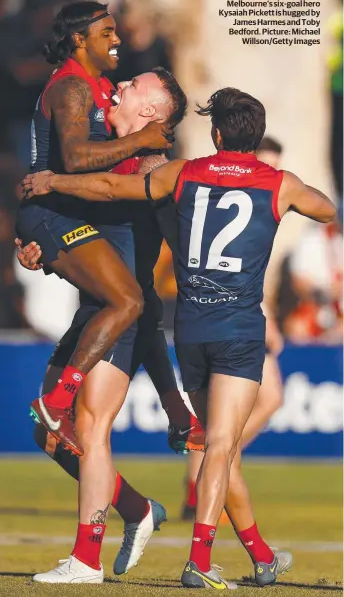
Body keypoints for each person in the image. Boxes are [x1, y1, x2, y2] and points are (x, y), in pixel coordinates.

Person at [23, 86, 336, 590]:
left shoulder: (182, 173)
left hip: (190, 328)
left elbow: (107, 188)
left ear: (215, 133)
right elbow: (325, 210)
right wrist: (287, 192)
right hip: (238, 329)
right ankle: (200, 561)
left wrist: (52, 179)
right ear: (255, 138)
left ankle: (260, 555)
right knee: (220, 446)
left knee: (218, 447)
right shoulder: (279, 183)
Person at [17, 68, 206, 584]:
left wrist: (174, 399)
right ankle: (138, 509)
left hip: (120, 319)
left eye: (134, 85)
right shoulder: (102, 148)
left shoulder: (150, 163)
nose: (119, 83)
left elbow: (143, 294)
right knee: (50, 436)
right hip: (95, 314)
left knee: (92, 431)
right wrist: (39, 251)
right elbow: (74, 222)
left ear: (149, 112)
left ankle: (86, 560)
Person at [16, 1, 174, 455]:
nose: (118, 39)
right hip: (53, 216)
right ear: (79, 40)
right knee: (129, 300)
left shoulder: (100, 87)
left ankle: (138, 503)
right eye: (107, 32)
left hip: (61, 218)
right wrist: (143, 139)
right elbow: (76, 161)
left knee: (135, 304)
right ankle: (57, 401)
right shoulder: (71, 88)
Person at [182, 136, 285, 522]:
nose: (271, 169)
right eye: (268, 162)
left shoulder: (261, 194)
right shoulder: (244, 193)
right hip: (236, 315)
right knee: (233, 422)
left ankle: (214, 466)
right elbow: (233, 264)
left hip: (234, 312)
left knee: (233, 420)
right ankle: (214, 470)